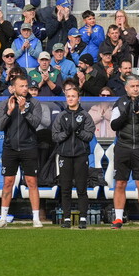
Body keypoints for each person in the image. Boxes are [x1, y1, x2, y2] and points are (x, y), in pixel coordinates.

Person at [0, 74, 44, 227]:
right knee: (8, 182)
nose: (24, 89)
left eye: (26, 86)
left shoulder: (34, 103)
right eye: (21, 86)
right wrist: (9, 112)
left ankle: (36, 218)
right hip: (10, 148)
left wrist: (23, 111)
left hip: (29, 147)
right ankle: (3, 218)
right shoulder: (5, 103)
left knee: (32, 182)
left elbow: (35, 123)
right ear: (13, 88)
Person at [109, 74, 139, 229]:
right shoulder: (120, 103)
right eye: (133, 86)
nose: (136, 89)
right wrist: (125, 113)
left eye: (138, 86)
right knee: (120, 183)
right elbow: (114, 125)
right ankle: (118, 219)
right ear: (126, 88)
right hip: (123, 147)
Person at [52, 82, 97, 229]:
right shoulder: (61, 116)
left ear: (79, 98)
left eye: (73, 96)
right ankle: (66, 219)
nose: (70, 99)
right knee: (65, 188)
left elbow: (90, 136)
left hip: (81, 155)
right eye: (68, 96)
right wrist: (66, 133)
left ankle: (83, 218)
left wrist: (78, 132)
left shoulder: (85, 116)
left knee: (81, 188)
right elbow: (55, 136)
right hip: (64, 155)